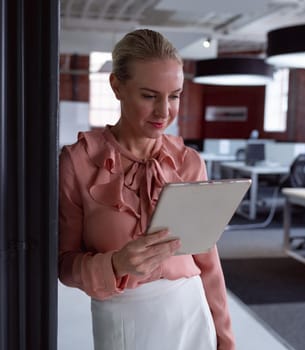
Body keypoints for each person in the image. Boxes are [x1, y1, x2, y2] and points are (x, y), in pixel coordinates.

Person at [58, 29, 235, 350]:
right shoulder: (79, 161)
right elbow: (65, 265)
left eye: (175, 95)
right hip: (125, 320)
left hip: (191, 312)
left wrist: (225, 337)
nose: (164, 111)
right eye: (150, 95)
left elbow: (208, 261)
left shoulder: (189, 161)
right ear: (117, 86)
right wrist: (115, 265)